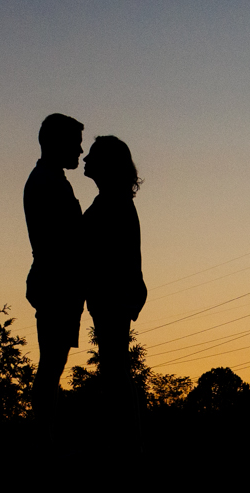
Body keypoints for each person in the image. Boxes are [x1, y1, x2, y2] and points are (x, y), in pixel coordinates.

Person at [80, 135, 148, 414]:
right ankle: (127, 441)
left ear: (107, 164)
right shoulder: (112, 201)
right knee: (114, 369)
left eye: (93, 155)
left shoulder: (113, 204)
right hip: (114, 296)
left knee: (115, 370)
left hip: (114, 297)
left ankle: (128, 443)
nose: (85, 159)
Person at [24, 113, 85, 409]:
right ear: (57, 143)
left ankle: (47, 438)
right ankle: (44, 441)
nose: (80, 151)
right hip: (55, 284)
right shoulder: (47, 182)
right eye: (75, 143)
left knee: (53, 365)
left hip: (56, 283)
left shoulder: (51, 180)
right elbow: (65, 239)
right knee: (51, 365)